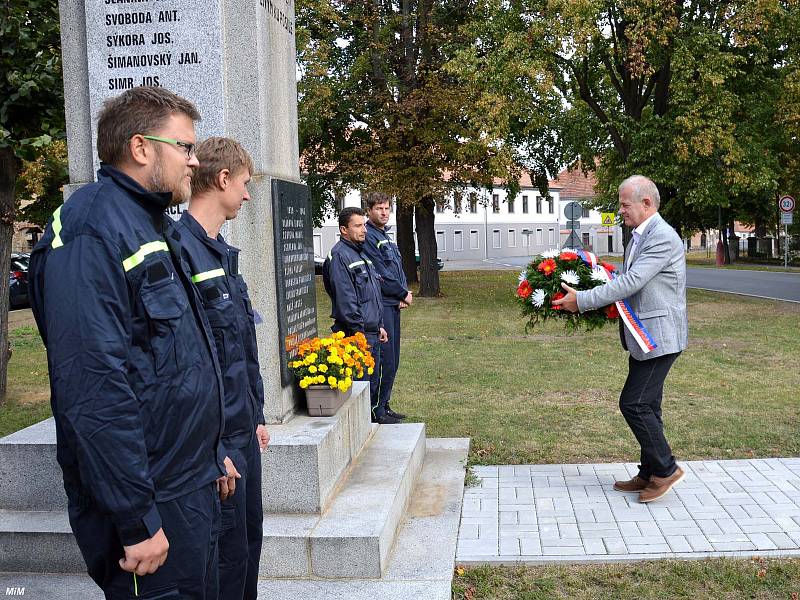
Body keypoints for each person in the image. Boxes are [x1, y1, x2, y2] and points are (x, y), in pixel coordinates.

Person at [28, 87, 230, 599]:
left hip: (187, 483)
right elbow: (92, 388)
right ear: (142, 148)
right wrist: (136, 517)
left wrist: (212, 453)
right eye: (185, 147)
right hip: (151, 501)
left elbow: (173, 358)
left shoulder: (149, 221)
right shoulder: (91, 232)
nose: (195, 160)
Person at [173, 137, 270, 600]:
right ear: (224, 179)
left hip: (241, 432)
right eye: (246, 183)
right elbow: (188, 367)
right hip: (217, 445)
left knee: (249, 542)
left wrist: (257, 415)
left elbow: (240, 347)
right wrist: (210, 449)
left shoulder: (220, 251)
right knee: (226, 558)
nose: (249, 195)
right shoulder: (180, 252)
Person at [553, 175, 688, 503]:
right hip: (645, 337)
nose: (620, 210)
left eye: (625, 204)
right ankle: (649, 472)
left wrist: (583, 300)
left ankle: (666, 470)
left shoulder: (662, 237)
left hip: (660, 337)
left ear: (647, 204)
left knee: (634, 403)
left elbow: (633, 281)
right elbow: (629, 279)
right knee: (649, 405)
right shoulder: (639, 236)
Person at [322, 207, 394, 423]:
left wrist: (379, 324)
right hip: (357, 335)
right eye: (358, 225)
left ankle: (372, 420)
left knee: (372, 383)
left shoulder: (360, 254)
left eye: (364, 224)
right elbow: (347, 301)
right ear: (344, 229)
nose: (364, 230)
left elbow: (371, 295)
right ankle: (364, 426)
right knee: (360, 387)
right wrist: (359, 333)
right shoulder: (340, 256)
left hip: (371, 331)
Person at [362, 192, 411, 421]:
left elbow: (396, 270)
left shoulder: (386, 237)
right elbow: (380, 273)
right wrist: (402, 293)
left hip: (394, 304)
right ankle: (377, 409)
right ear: (369, 211)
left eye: (387, 208)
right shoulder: (370, 237)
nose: (384, 212)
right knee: (386, 359)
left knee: (394, 360)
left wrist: (401, 293)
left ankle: (385, 403)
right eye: (379, 208)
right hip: (383, 306)